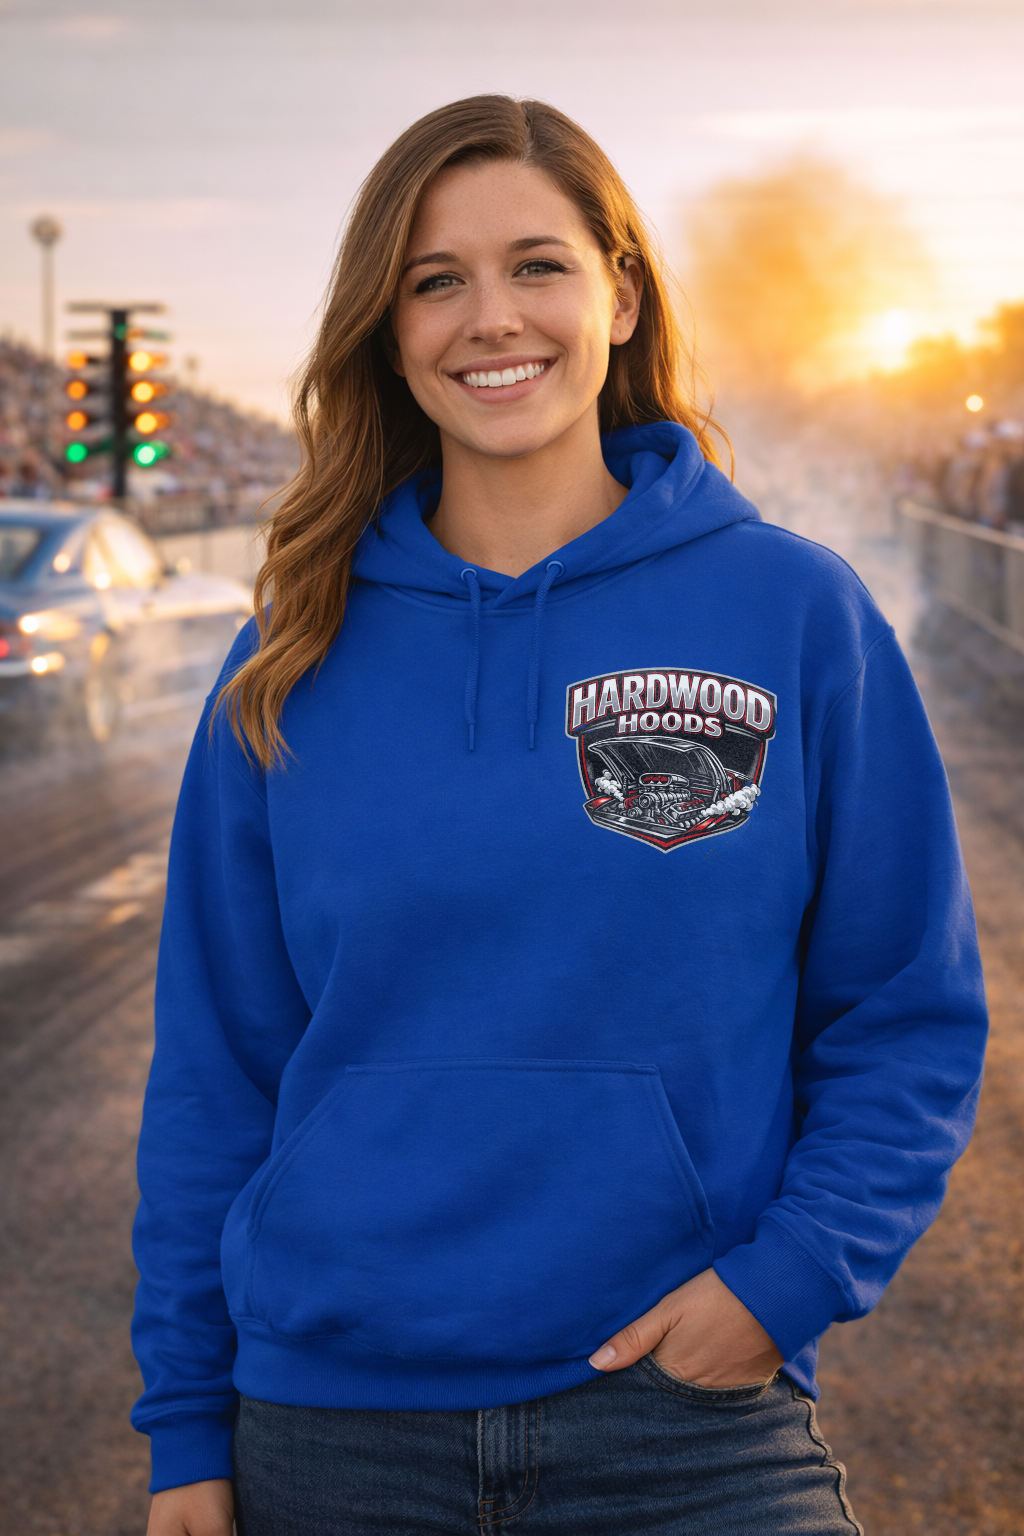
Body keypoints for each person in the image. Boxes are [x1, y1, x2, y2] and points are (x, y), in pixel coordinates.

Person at [132, 96, 988, 1536]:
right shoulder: (294, 647)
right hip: (333, 1441)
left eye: (537, 264)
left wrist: (783, 1285)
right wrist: (184, 1437)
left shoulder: (791, 613)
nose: (490, 318)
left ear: (621, 293)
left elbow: (904, 1010)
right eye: (434, 279)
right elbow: (218, 1069)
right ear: (387, 328)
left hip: (687, 1425)